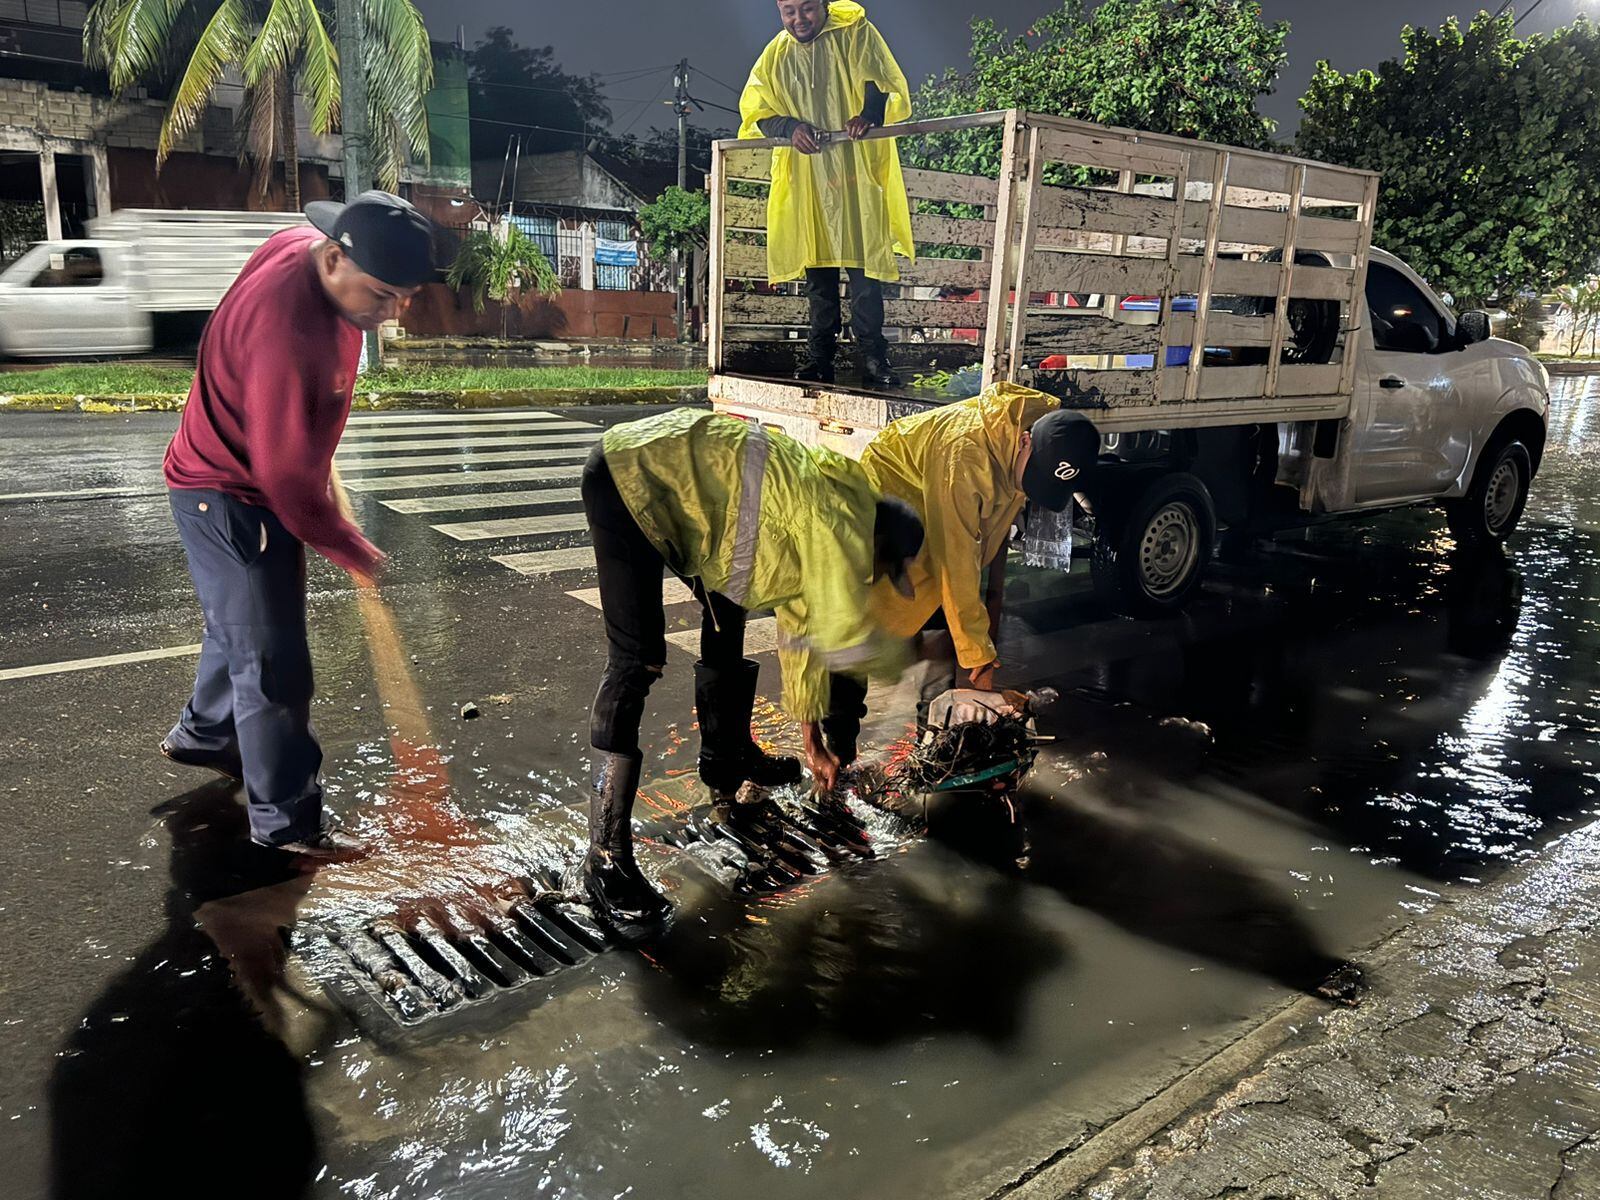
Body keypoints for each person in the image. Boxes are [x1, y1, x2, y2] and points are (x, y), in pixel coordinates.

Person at [159, 191, 445, 859]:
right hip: (231, 492)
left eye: (405, 297)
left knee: (240, 623)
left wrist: (303, 429)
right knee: (274, 663)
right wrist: (347, 543)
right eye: (382, 294)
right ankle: (287, 825)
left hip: (233, 469)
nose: (393, 313)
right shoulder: (287, 329)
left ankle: (204, 734)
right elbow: (284, 477)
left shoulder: (296, 246)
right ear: (335, 257)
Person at [581, 408, 924, 937]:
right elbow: (846, 641)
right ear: (876, 544)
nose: (875, 578)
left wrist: (814, 746)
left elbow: (804, 635)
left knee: (727, 612)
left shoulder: (837, 516)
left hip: (695, 503)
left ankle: (727, 757)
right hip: (630, 477)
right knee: (636, 661)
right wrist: (920, 660)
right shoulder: (837, 526)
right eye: (883, 569)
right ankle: (605, 859)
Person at [821, 386, 1103, 765]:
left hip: (938, 531)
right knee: (861, 637)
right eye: (1034, 477)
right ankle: (837, 753)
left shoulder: (1035, 443)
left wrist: (978, 633)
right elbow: (956, 559)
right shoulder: (965, 453)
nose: (1031, 486)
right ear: (1025, 441)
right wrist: (978, 657)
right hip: (890, 516)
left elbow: (981, 543)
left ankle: (935, 749)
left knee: (945, 630)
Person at [739, 0, 915, 388]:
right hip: (810, 181)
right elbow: (757, 111)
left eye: (807, 9)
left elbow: (879, 79)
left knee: (865, 274)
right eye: (789, 11)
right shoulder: (776, 55)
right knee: (818, 276)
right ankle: (820, 358)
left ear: (824, 5)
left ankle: (874, 358)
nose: (798, 19)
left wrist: (869, 115)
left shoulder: (854, 32)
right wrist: (790, 127)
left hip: (856, 175)